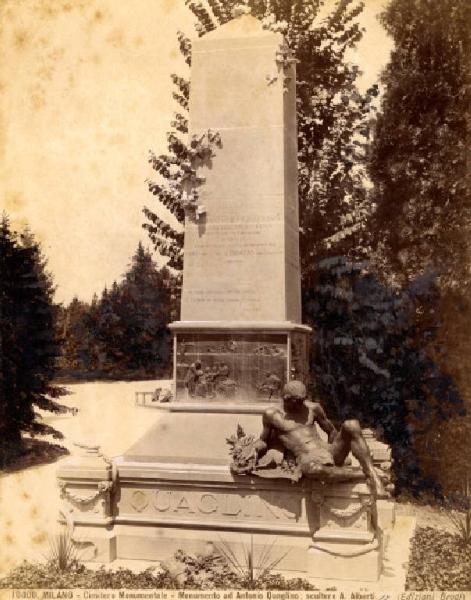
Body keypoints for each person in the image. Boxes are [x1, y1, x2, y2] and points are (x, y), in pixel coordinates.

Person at [253, 380, 386, 532]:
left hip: (328, 452)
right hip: (307, 459)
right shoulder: (272, 415)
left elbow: (331, 431)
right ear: (286, 398)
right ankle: (364, 474)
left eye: (303, 400)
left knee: (351, 424)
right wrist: (254, 450)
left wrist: (335, 456)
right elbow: (263, 441)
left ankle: (372, 475)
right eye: (297, 402)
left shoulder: (313, 408)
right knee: (314, 469)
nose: (301, 404)